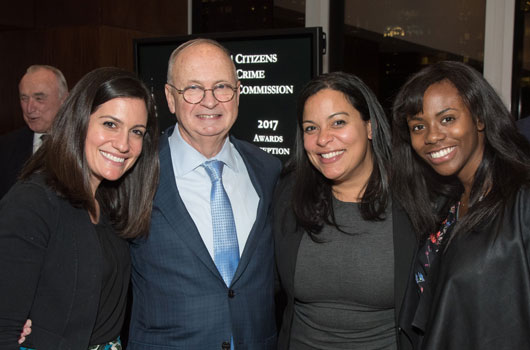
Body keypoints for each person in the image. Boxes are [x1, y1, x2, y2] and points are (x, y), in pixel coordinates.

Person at [127, 38, 282, 349]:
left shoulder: (268, 170)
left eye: (222, 87)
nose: (210, 102)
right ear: (170, 98)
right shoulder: (134, 171)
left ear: (238, 93)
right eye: (193, 89)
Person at [0, 67, 159, 349]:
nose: (123, 144)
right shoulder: (33, 202)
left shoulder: (109, 203)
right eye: (110, 124)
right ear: (78, 121)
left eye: (136, 131)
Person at [392, 61, 530, 349]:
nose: (432, 136)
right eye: (419, 126)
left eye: (447, 119)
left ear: (479, 118)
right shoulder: (445, 205)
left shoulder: (521, 201)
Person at [273, 72, 416, 349]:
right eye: (311, 128)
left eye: (338, 122)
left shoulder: (413, 201)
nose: (323, 139)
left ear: (370, 127)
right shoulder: (288, 196)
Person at [0, 65, 68, 199]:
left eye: (39, 98)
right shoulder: (5, 147)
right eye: (24, 98)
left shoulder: (85, 145)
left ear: (64, 100)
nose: (29, 108)